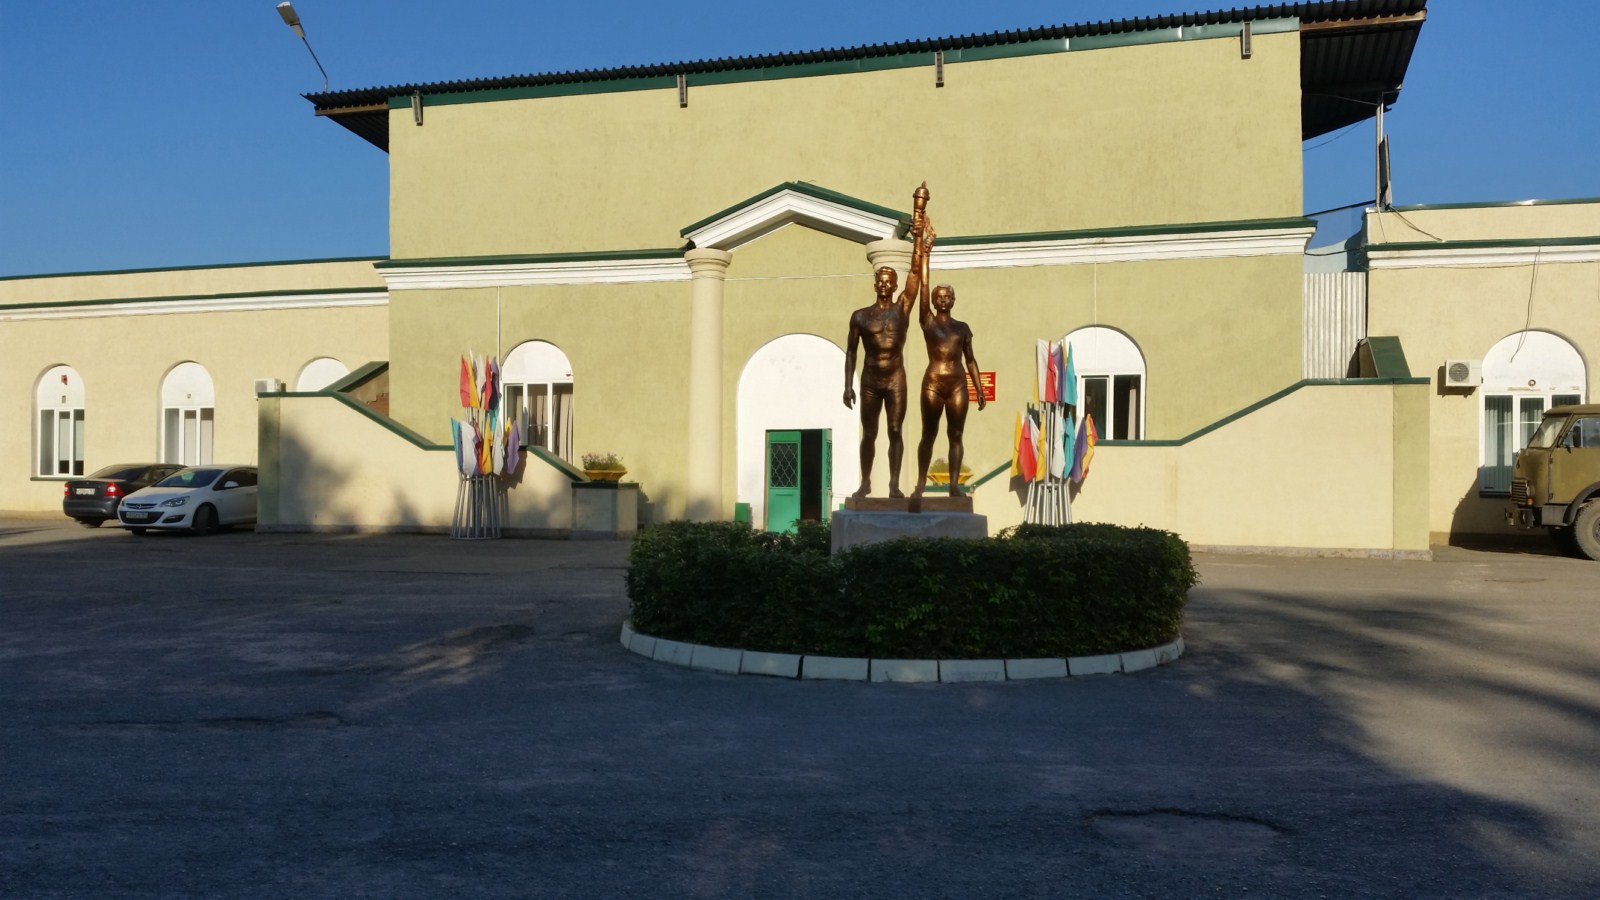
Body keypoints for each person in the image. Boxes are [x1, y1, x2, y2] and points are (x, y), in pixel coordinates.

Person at [844, 184, 930, 499]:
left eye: (888, 281)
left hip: (895, 377)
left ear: (894, 286)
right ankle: (866, 482)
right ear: (875, 284)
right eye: (879, 281)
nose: (883, 285)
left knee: (895, 430)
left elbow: (916, 273)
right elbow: (851, 353)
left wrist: (919, 237)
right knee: (869, 432)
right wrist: (848, 385)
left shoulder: (902, 309)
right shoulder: (860, 316)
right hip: (869, 378)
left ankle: (894, 484)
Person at [910, 220, 985, 498]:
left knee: (956, 435)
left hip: (957, 384)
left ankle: (954, 485)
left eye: (947, 297)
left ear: (953, 301)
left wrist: (979, 388)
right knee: (928, 434)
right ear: (933, 301)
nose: (942, 300)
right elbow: (924, 284)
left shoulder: (962, 328)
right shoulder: (927, 321)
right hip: (932, 383)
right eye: (939, 297)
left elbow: (971, 361)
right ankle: (920, 483)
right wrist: (926, 253)